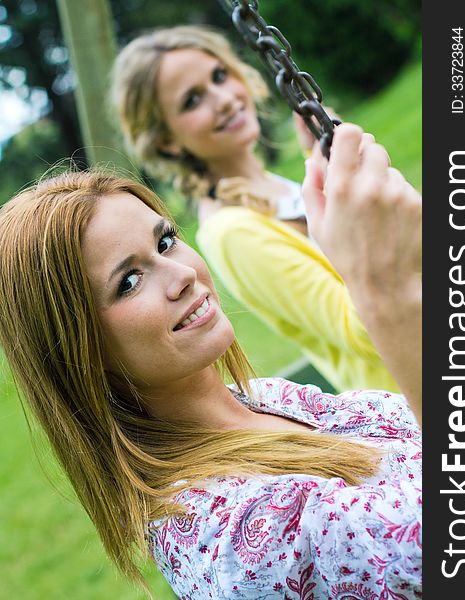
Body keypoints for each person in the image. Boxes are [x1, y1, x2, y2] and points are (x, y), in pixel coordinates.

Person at [0, 124, 421, 599]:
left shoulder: (267, 400)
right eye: (129, 282)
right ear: (80, 353)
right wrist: (388, 294)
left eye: (165, 241)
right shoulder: (226, 535)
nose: (181, 274)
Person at [110, 25, 401, 393]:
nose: (224, 99)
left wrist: (326, 168)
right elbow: (363, 331)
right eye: (193, 100)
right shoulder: (231, 232)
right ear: (167, 140)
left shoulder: (273, 186)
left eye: (219, 76)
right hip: (405, 392)